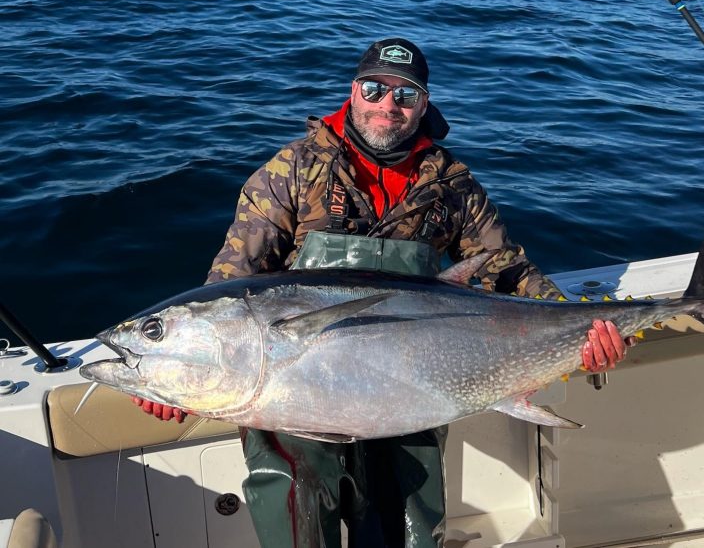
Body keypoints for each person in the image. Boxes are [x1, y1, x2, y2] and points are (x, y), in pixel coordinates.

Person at [134, 38, 633, 547]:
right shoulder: (294, 170)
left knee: (407, 523)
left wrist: (585, 333)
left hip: (409, 385)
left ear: (424, 104)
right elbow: (231, 282)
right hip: (293, 388)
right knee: (295, 512)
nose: (388, 104)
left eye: (406, 95)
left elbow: (508, 273)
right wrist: (178, 371)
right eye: (375, 89)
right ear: (354, 91)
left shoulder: (451, 185)